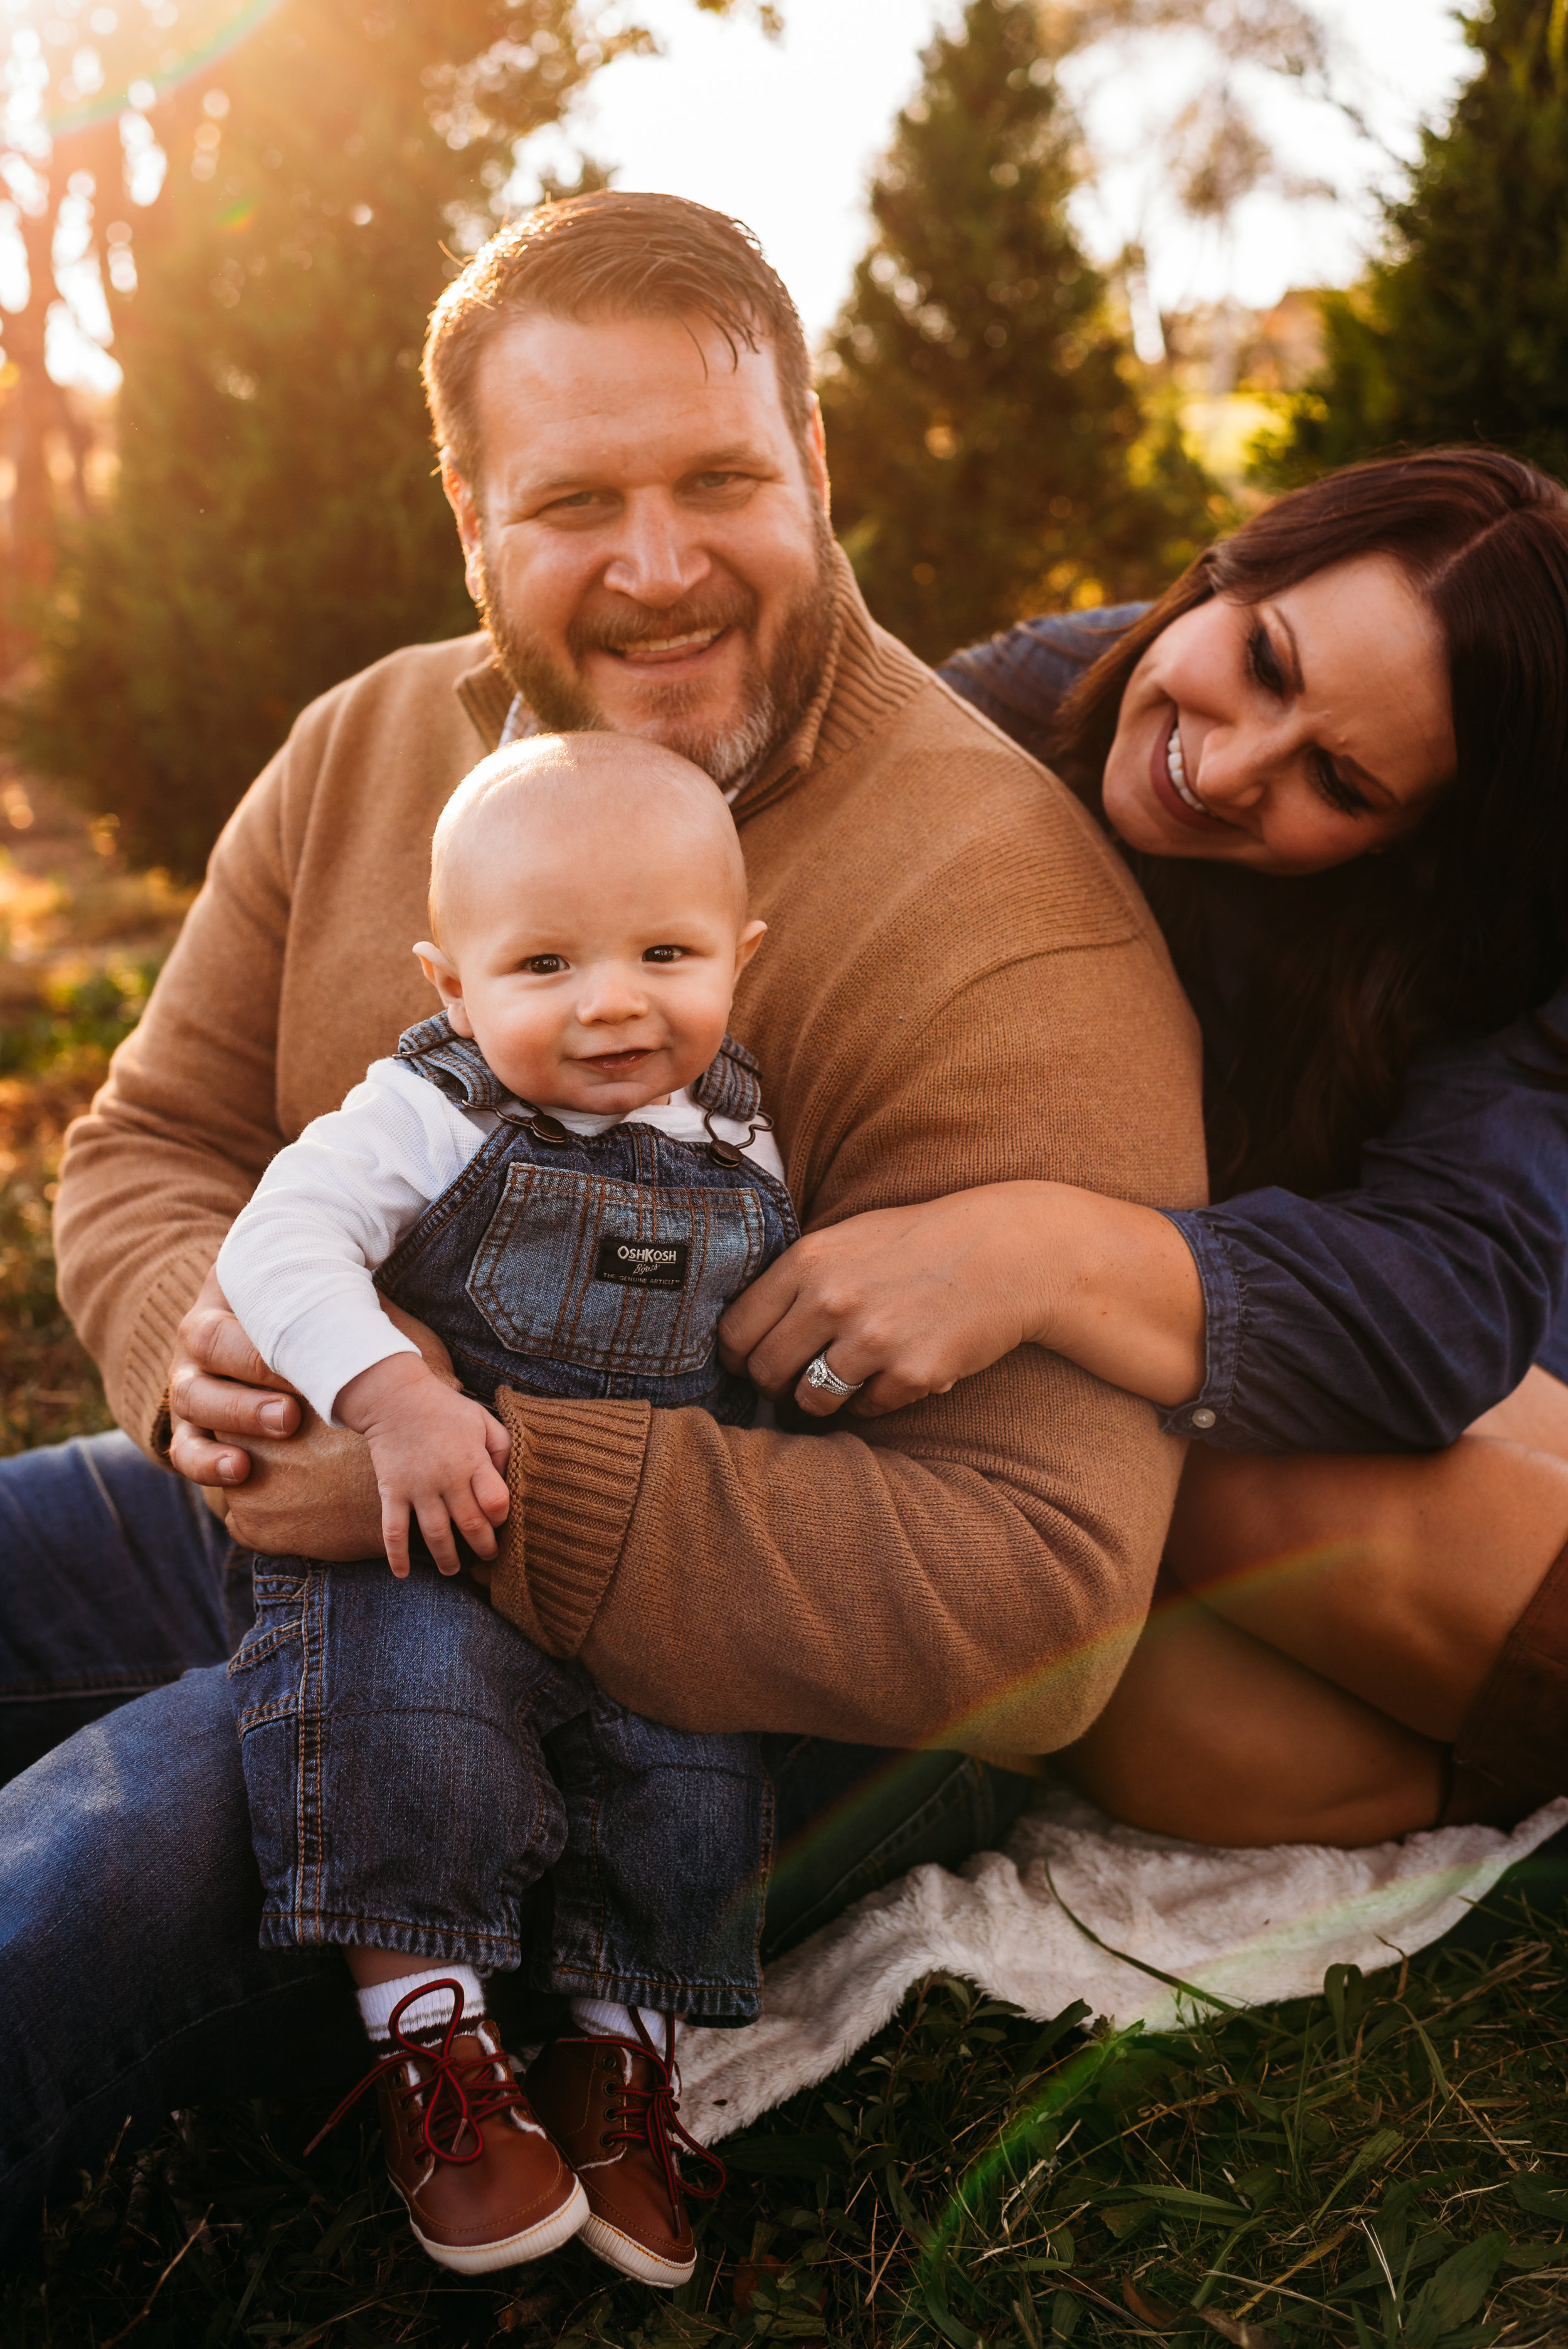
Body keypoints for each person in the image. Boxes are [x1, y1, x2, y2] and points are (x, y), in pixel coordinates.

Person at [0, 191, 1205, 2245]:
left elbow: (1050, 1586)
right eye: (573, 498)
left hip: (639, 1711)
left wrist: (495, 1483)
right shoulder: (366, 743)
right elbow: (149, 1140)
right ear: (468, 506)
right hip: (276, 1493)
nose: (658, 567)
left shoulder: (996, 901)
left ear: (814, 471)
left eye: (721, 480)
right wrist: (229, 1354)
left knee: (59, 1878)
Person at [718, 447, 1568, 1849]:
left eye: (1338, 784)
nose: (1222, 763)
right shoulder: (1001, 705)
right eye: (1263, 661)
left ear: (1417, 843)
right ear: (1239, 561)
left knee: (1263, 1497)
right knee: (1164, 1710)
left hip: (1366, 1397)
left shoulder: (1486, 940)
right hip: (1092, 1431)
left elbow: (1443, 1313)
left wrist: (1039, 1255)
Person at [216, 734, 789, 2283]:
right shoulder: (428, 1108)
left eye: (664, 954)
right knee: (406, 1726)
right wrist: (391, 1398)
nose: (612, 1000)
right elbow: (278, 1241)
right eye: (543, 962)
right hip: (422, 1545)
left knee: (691, 1780)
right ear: (452, 984)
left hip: (634, 1564)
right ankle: (435, 2050)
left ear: (737, 957)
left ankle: (620, 2066)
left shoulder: (742, 1139)